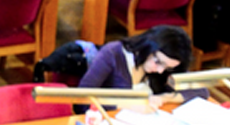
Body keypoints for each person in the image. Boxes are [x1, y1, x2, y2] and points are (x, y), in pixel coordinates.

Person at [76, 25, 206, 113]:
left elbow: (202, 91)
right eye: (158, 62)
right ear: (148, 48)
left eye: (167, 68)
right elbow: (81, 100)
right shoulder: (113, 54)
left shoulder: (163, 65)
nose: (160, 71)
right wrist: (125, 105)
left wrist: (166, 97)